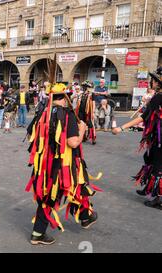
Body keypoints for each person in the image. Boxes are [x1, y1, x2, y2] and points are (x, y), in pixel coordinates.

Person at [26, 82, 100, 246]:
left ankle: (85, 217)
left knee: (55, 196)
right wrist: (82, 130)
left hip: (46, 166)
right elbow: (73, 143)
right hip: (64, 166)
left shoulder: (42, 113)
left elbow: (31, 133)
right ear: (66, 98)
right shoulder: (67, 114)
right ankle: (83, 218)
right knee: (76, 186)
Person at [112, 68, 162, 209]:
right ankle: (149, 188)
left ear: (158, 83)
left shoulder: (158, 97)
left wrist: (121, 128)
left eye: (153, 79)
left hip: (160, 139)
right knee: (151, 160)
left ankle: (159, 198)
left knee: (158, 165)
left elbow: (143, 117)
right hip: (157, 137)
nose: (150, 82)